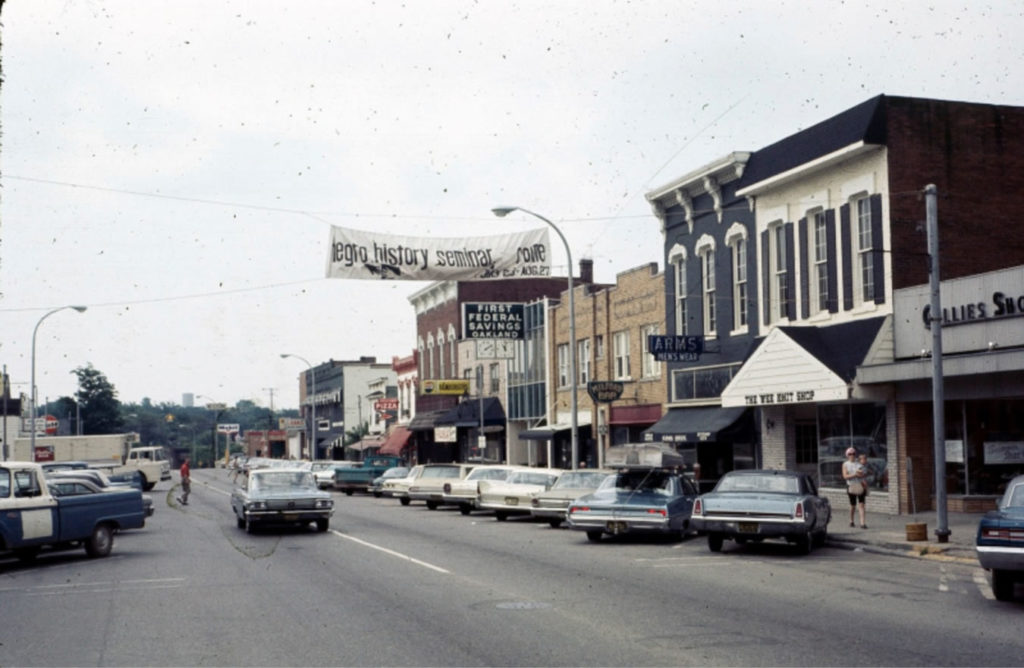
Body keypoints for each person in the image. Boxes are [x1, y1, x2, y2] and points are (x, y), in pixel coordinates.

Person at [842, 447, 867, 528]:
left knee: (861, 504)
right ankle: (851, 521)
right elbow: (845, 476)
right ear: (847, 455)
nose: (852, 455)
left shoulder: (859, 464)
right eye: (850, 454)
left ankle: (862, 523)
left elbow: (863, 474)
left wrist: (860, 474)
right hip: (851, 486)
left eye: (853, 454)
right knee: (853, 505)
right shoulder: (845, 464)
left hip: (860, 485)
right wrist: (855, 475)